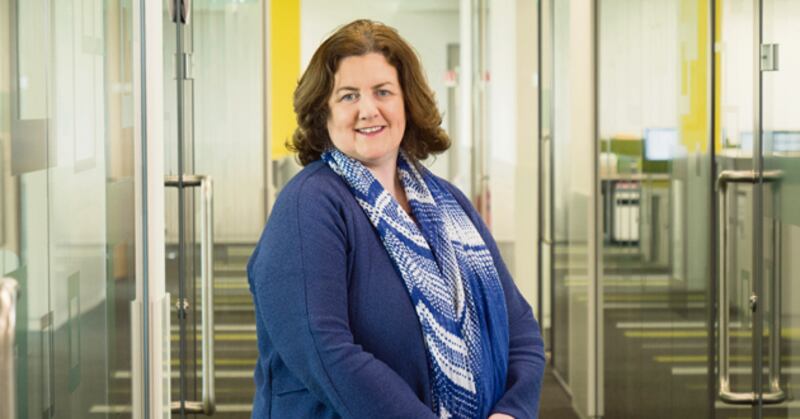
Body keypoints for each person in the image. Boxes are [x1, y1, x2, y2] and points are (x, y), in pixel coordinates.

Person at [247, 19, 545, 419]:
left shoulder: (447, 202)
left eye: (383, 92)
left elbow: (519, 327)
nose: (368, 110)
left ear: (407, 101)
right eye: (348, 96)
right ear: (324, 112)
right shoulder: (310, 205)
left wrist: (512, 411)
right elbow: (324, 349)